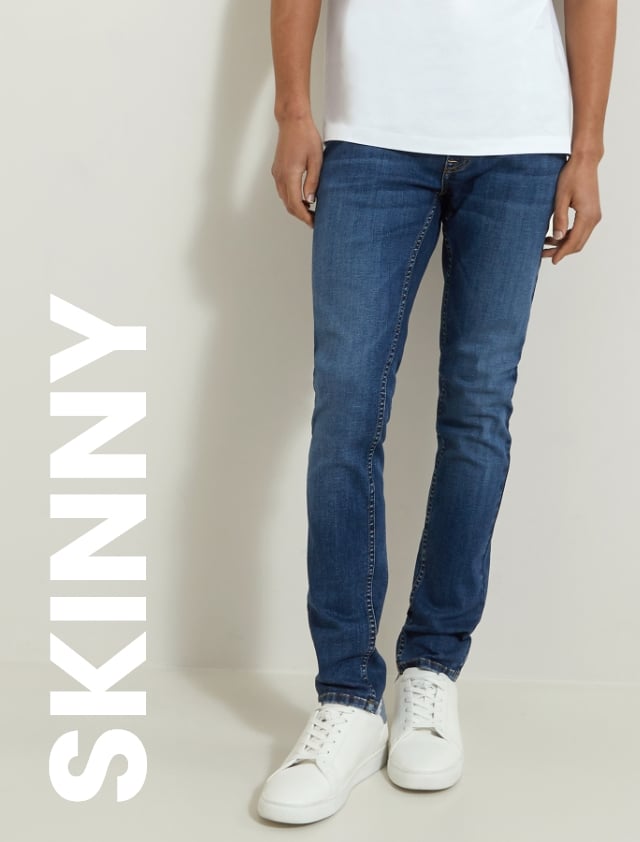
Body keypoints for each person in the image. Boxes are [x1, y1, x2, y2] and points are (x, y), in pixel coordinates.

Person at [258, 0, 617, 825]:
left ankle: (431, 672)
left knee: (477, 413)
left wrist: (588, 149)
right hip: (371, 137)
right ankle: (348, 698)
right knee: (347, 409)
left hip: (521, 142)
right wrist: (293, 111)